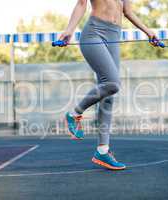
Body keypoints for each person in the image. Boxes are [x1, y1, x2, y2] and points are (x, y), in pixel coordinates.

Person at [61, 0, 160, 170]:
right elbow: (81, 4)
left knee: (109, 96)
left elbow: (128, 11)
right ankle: (74, 113)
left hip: (114, 36)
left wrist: (148, 32)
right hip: (94, 33)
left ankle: (102, 151)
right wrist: (69, 30)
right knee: (112, 83)